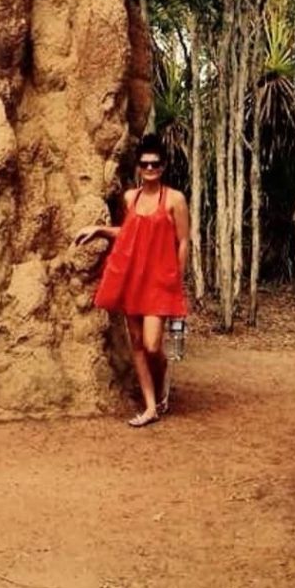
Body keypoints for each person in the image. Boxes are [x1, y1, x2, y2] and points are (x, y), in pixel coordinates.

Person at [75, 134, 190, 428]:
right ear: (138, 167)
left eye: (155, 164)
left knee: (153, 345)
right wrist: (100, 230)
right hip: (133, 277)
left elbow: (184, 241)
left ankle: (162, 379)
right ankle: (150, 406)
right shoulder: (131, 198)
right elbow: (129, 233)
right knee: (137, 343)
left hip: (159, 280)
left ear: (163, 166)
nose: (150, 168)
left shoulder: (175, 199)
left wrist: (177, 279)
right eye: (145, 164)